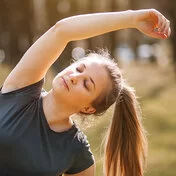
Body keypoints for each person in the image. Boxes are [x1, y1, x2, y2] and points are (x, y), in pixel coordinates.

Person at [0, 9, 170, 176]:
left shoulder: (77, 153)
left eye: (87, 84)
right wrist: (132, 19)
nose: (74, 77)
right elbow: (62, 31)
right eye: (79, 68)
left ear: (89, 108)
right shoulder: (22, 89)